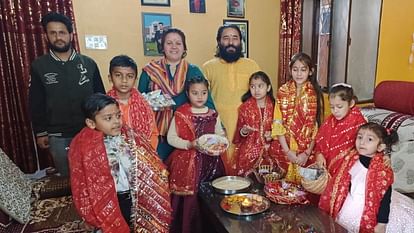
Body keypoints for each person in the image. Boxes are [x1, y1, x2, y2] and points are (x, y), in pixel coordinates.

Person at [68, 93, 171, 233]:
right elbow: (80, 184)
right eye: (108, 118)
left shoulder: (131, 136)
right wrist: (89, 215)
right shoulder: (82, 146)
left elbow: (150, 163)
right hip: (108, 203)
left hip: (135, 198)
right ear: (91, 123)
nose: (116, 121)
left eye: (118, 115)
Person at [29, 12, 105, 177]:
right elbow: (36, 102)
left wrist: (103, 127)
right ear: (46, 36)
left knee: (94, 175)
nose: (58, 37)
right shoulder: (39, 66)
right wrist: (40, 132)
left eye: (62, 32)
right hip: (57, 135)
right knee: (68, 178)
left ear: (70, 35)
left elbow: (101, 99)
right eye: (53, 33)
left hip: (88, 131)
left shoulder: (89, 64)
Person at [319, 122, 414, 233]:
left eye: (369, 139)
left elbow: (385, 199)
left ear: (380, 146)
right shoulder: (351, 159)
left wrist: (381, 224)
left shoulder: (381, 171)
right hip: (349, 204)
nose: (362, 142)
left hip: (370, 208)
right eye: (359, 137)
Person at [138, 28, 215, 161]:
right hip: (157, 134)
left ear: (184, 48)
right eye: (169, 43)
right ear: (162, 46)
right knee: (159, 174)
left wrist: (218, 128)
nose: (174, 46)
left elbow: (208, 103)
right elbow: (139, 104)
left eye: (178, 43)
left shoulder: (193, 70)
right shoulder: (150, 71)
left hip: (187, 135)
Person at [166, 76, 225, 233]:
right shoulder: (181, 113)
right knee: (190, 199)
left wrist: (222, 141)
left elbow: (219, 133)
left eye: (204, 93)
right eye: (195, 93)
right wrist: (189, 144)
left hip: (211, 162)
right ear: (187, 93)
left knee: (210, 197)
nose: (200, 97)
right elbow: (171, 138)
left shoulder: (213, 113)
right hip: (187, 163)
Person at [202, 24, 260, 174]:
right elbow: (201, 99)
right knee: (219, 169)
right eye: (226, 38)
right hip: (218, 125)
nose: (230, 42)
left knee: (246, 170)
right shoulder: (208, 67)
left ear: (241, 42)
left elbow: (261, 94)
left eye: (235, 38)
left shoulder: (251, 65)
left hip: (245, 126)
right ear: (219, 42)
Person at [271, 52, 324, 184]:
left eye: (303, 69)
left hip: (306, 151)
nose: (299, 74)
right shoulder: (282, 92)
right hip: (284, 147)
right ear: (290, 71)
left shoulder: (314, 94)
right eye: (295, 69)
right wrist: (288, 152)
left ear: (310, 72)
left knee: (303, 192)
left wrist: (306, 153)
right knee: (282, 189)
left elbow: (315, 127)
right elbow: (277, 123)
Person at [314, 83, 367, 177]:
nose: (335, 111)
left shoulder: (358, 121)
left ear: (351, 103)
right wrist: (319, 154)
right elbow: (319, 141)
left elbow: (366, 145)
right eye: (332, 107)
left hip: (347, 168)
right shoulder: (329, 120)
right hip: (326, 164)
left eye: (339, 107)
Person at [233, 71, 280, 177]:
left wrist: (272, 134)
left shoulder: (275, 107)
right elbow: (239, 134)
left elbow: (281, 128)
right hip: (250, 148)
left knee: (271, 178)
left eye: (260, 86)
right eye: (253, 86)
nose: (256, 90)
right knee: (249, 179)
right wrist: (244, 131)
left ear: (268, 88)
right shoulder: (244, 108)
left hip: (271, 148)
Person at [106, 55, 159, 149]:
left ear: (135, 80)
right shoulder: (104, 106)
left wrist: (147, 154)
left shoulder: (144, 105)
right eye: (118, 75)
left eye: (129, 76)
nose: (124, 81)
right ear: (110, 78)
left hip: (144, 155)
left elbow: (153, 133)